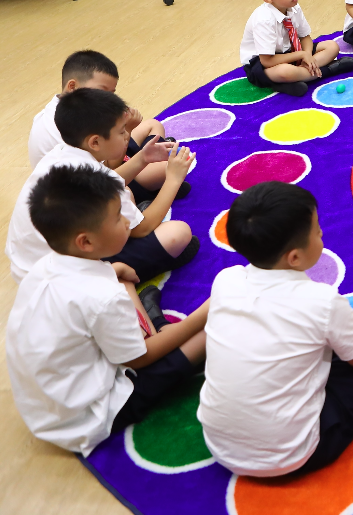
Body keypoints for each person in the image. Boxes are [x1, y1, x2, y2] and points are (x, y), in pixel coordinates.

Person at [198, 182, 353, 477]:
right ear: (294, 257)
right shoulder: (323, 301)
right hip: (294, 455)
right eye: (317, 230)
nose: (322, 234)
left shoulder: (225, 280)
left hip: (219, 446)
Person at [6, 164, 208, 455]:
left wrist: (112, 269)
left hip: (49, 403)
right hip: (90, 415)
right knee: (207, 332)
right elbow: (140, 359)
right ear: (85, 241)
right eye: (117, 218)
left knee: (123, 279)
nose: (128, 220)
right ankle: (157, 324)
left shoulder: (45, 266)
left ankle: (151, 324)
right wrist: (203, 314)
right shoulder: (102, 297)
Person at [6, 88, 198, 284]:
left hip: (30, 266)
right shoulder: (93, 174)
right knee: (179, 234)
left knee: (128, 196)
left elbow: (110, 179)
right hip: (60, 279)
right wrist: (173, 179)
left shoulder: (62, 152)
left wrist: (142, 159)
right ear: (95, 142)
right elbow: (143, 228)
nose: (127, 136)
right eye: (122, 131)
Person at [29, 50, 187, 204]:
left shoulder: (64, 109)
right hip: (96, 187)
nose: (107, 98)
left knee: (153, 125)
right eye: (103, 91)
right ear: (72, 86)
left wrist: (124, 130)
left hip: (106, 160)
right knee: (173, 166)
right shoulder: (66, 128)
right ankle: (148, 190)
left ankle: (152, 167)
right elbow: (110, 168)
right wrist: (128, 131)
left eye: (111, 93)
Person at [240, 0, 353, 97]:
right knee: (285, 72)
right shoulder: (263, 19)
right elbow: (267, 61)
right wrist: (301, 55)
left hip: (291, 51)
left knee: (332, 46)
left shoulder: (294, 6)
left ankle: (298, 78)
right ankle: (329, 70)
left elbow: (305, 37)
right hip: (262, 63)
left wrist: (306, 55)